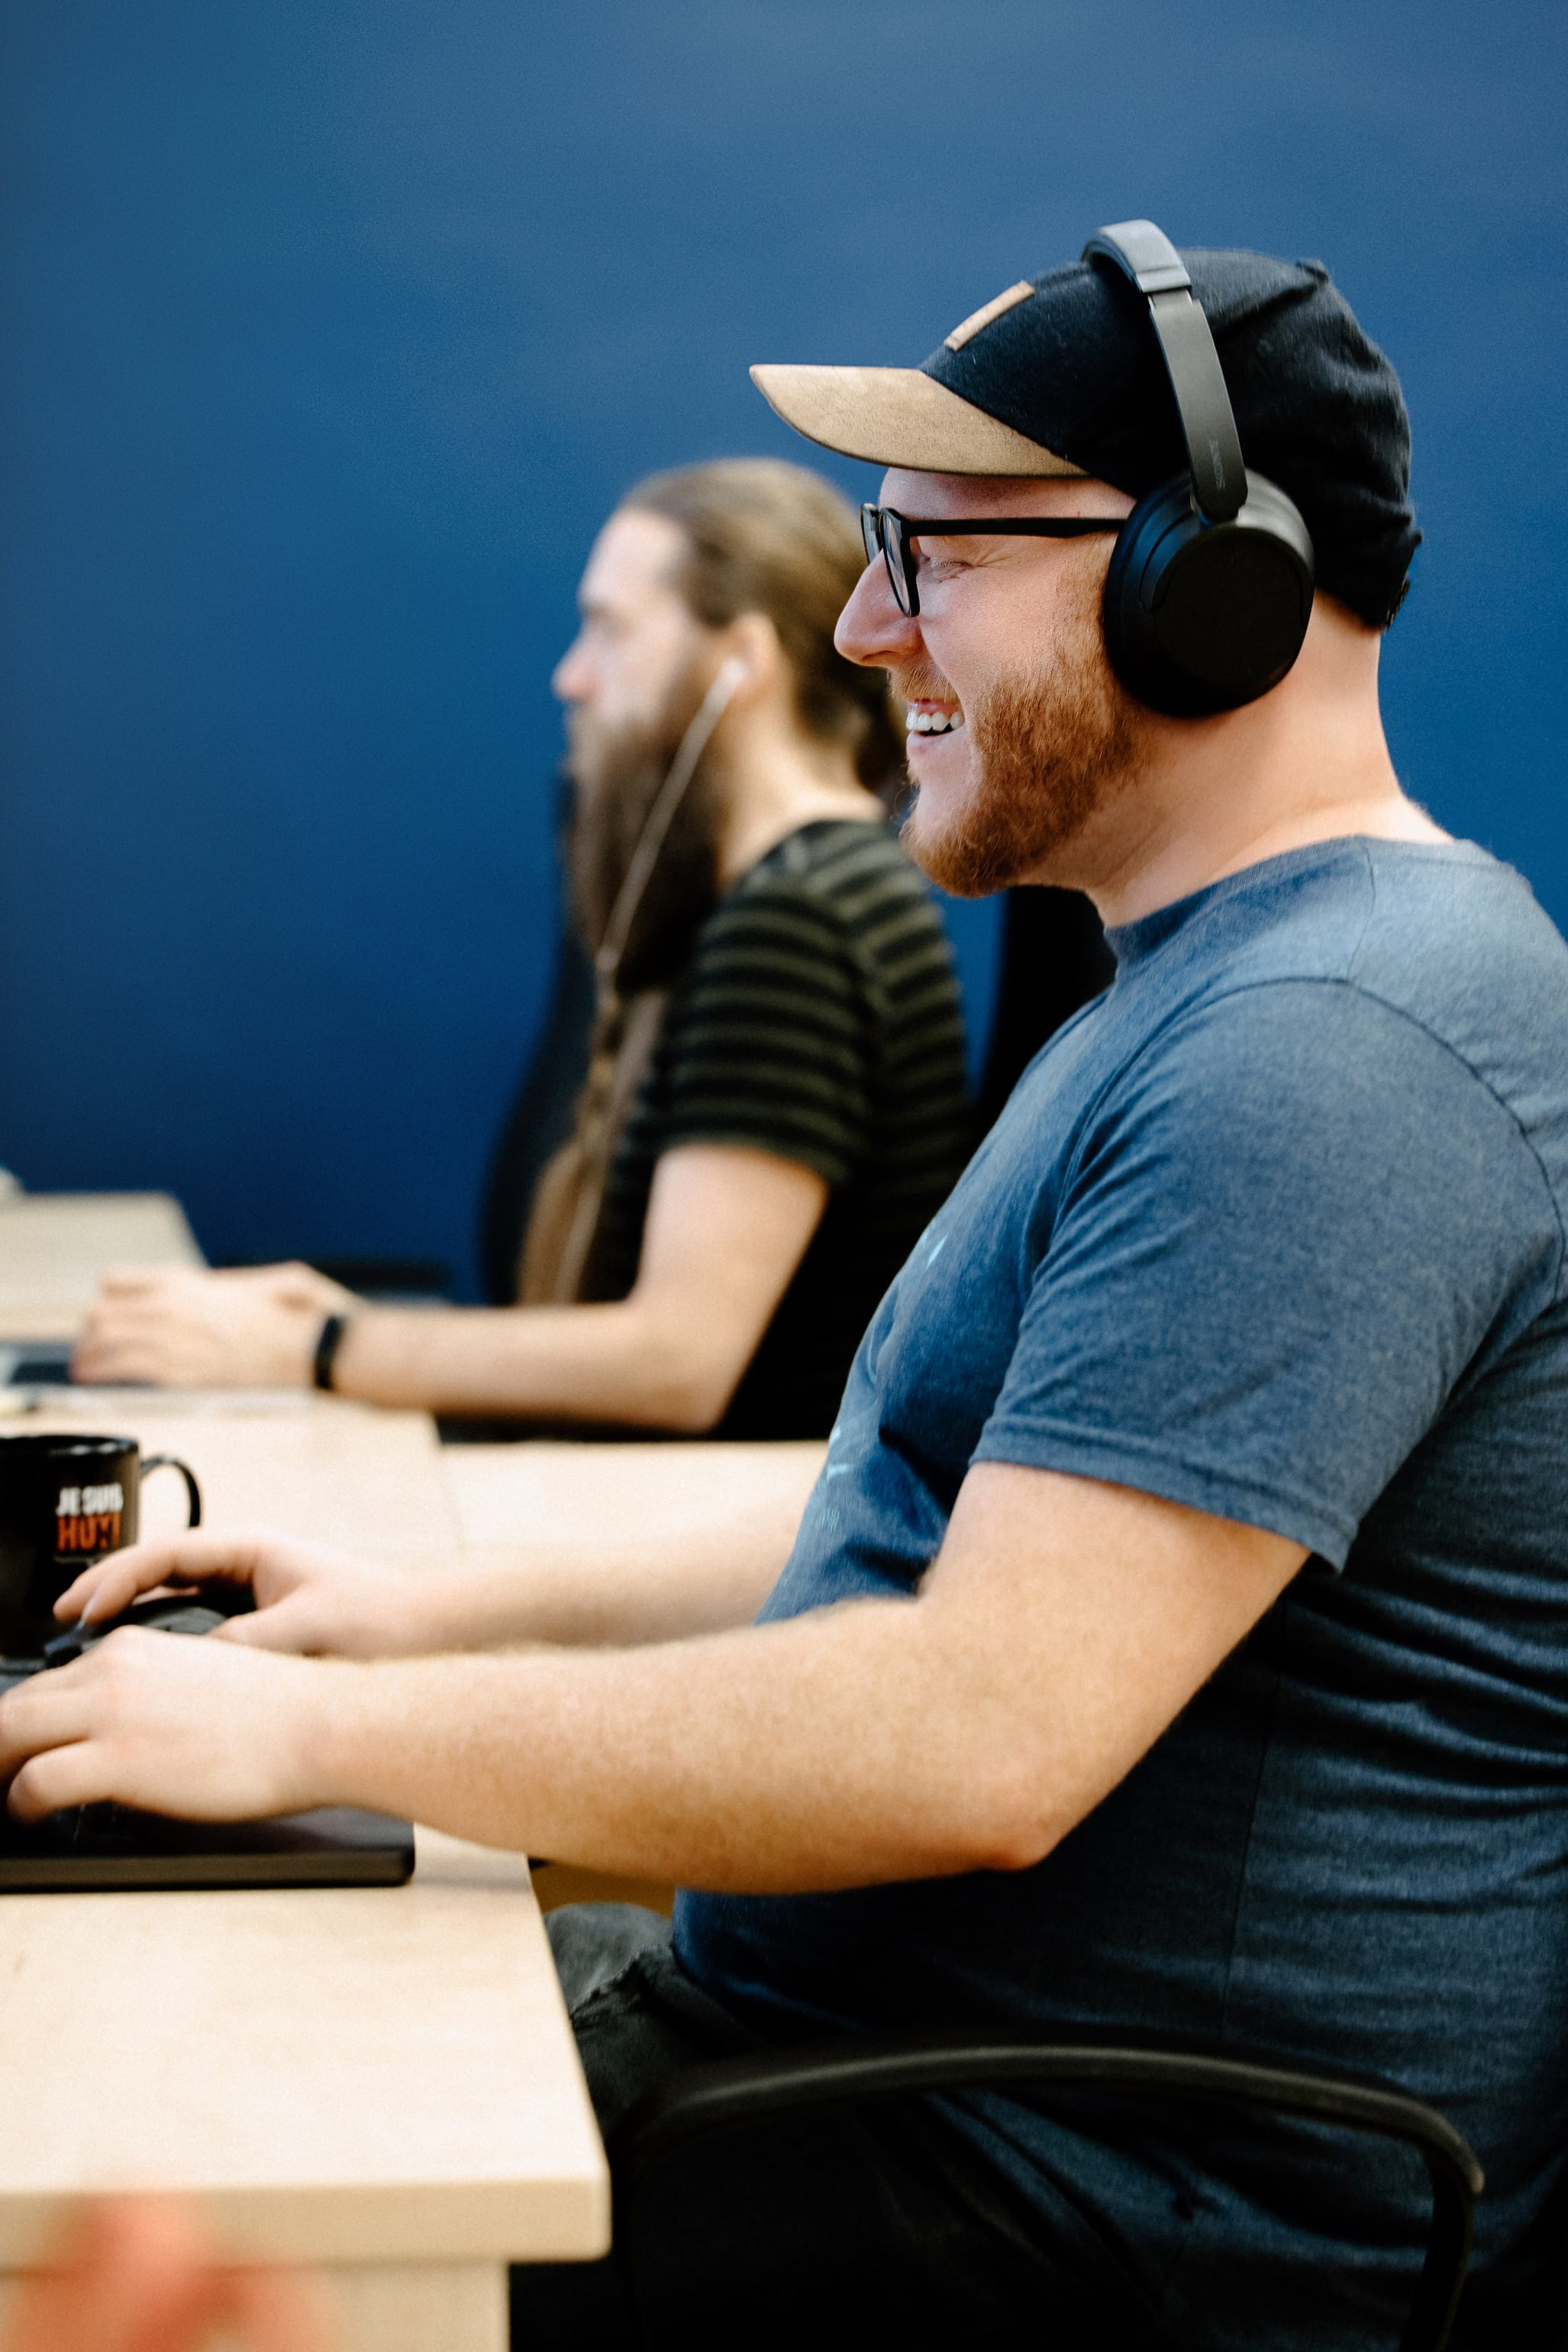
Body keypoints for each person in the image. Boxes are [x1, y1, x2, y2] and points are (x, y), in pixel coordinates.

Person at [5, 226, 1566, 2350]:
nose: (857, 628)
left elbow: (973, 1734)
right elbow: (930, 1507)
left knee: (137, 2178)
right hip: (903, 2096)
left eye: (931, 554)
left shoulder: (1335, 1048)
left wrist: (307, 1722)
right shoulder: (1205, 986)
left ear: (1210, 585)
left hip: (1080, 2216)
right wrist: (404, 1614)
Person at [73, 460, 971, 1440]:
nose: (572, 675)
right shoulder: (793, 891)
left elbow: (677, 1359)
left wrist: (318, 1346)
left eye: (611, 627)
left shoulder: (802, 916)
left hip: (703, 1537)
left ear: (737, 665)